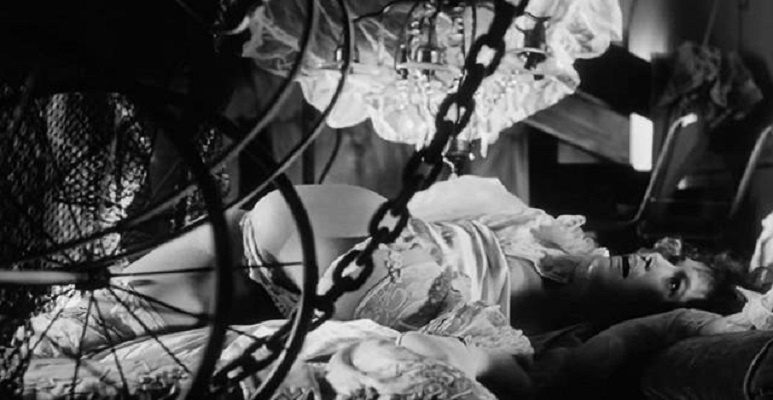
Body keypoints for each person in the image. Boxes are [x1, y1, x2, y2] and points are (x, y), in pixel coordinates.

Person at [24, 179, 759, 398]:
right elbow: (446, 196)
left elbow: (538, 375)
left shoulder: (545, 341)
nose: (652, 261)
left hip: (316, 271)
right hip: (271, 231)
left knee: (67, 358)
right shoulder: (541, 230)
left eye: (672, 283)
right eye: (668, 257)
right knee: (81, 314)